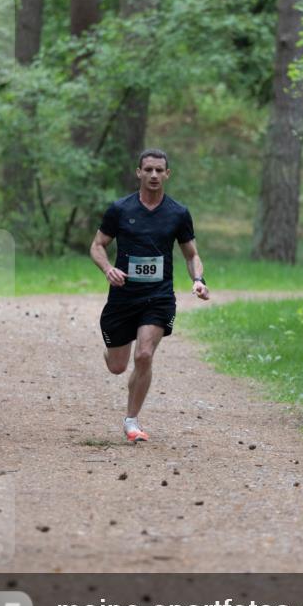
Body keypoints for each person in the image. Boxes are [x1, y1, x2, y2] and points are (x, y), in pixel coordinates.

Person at [90, 149, 209, 442]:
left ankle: (131, 421)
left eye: (159, 170)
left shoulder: (178, 213)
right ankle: (113, 351)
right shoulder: (120, 209)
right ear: (139, 173)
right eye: (148, 170)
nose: (154, 175)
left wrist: (198, 280)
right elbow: (97, 245)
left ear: (167, 174)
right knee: (117, 366)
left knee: (144, 355)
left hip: (158, 296)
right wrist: (108, 269)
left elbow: (191, 254)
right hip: (123, 296)